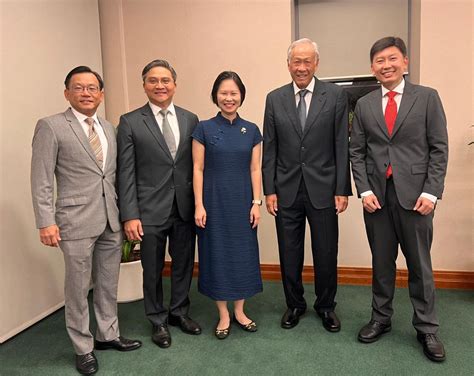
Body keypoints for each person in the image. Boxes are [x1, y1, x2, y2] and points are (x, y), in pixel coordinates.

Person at [31, 66, 141, 376]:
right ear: (67, 93)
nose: (86, 93)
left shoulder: (107, 127)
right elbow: (41, 179)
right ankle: (83, 347)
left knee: (108, 282)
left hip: (111, 219)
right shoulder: (51, 126)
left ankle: (108, 334)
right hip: (74, 220)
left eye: (92, 88)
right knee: (78, 288)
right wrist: (45, 221)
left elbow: (112, 175)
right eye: (79, 88)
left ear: (101, 94)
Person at [350, 36, 448, 362]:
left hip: (417, 196)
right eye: (379, 61)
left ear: (405, 61)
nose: (386, 65)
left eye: (392, 59)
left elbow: (438, 148)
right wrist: (363, 190)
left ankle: (427, 327)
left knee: (420, 265)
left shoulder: (427, 98)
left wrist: (431, 192)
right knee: (381, 264)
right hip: (377, 197)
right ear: (372, 67)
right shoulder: (364, 105)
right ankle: (381, 318)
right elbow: (357, 152)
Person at [262, 38, 352, 332]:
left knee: (326, 251)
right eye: (296, 62)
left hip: (324, 188)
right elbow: (270, 147)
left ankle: (326, 306)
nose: (301, 67)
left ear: (316, 63)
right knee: (289, 252)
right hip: (286, 188)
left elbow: (342, 143)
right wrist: (269, 189)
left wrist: (342, 188)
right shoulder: (274, 98)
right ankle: (295, 305)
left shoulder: (336, 96)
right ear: (288, 65)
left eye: (307, 61)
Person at [116, 59, 201, 349]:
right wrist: (130, 214)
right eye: (153, 80)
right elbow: (125, 172)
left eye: (165, 80)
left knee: (183, 263)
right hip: (148, 210)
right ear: (144, 85)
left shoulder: (191, 119)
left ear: (175, 84)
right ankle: (157, 320)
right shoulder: (129, 121)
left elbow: (196, 166)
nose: (160, 85)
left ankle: (179, 312)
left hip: (184, 206)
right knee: (151, 268)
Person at [192, 71, 263, 339]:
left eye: (234, 93)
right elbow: (197, 169)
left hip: (242, 201)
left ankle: (240, 311)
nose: (229, 98)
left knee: (243, 253)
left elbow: (255, 169)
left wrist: (256, 203)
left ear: (241, 96)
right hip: (213, 201)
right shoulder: (203, 128)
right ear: (215, 96)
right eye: (224, 93)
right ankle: (223, 313)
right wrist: (199, 205)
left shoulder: (252, 130)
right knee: (216, 254)